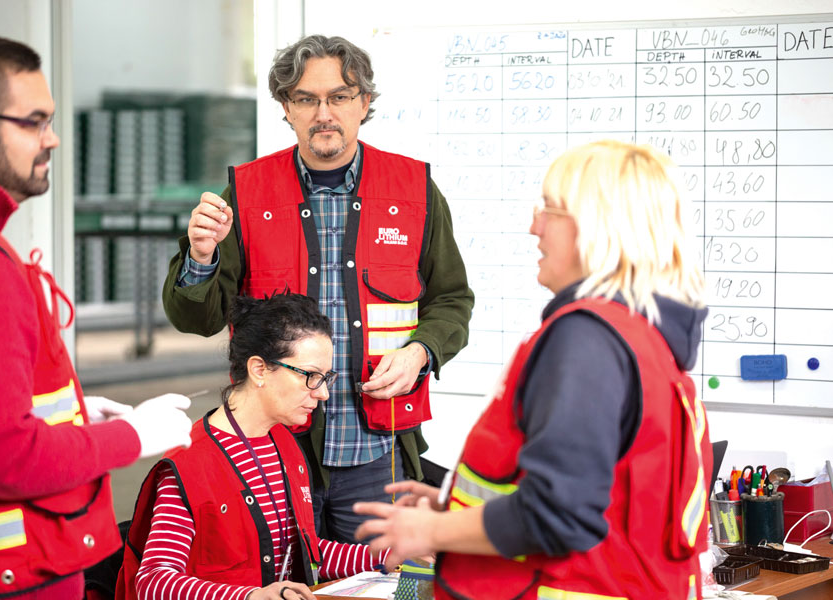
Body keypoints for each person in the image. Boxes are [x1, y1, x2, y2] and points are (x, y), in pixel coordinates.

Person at [354, 140, 714, 599]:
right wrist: (455, 511)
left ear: (596, 225)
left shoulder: (586, 340)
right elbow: (603, 502)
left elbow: (559, 515)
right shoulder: (644, 339)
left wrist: (431, 531)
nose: (533, 227)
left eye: (549, 210)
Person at [162, 34, 474, 542]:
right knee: (279, 577)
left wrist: (420, 351)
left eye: (339, 97)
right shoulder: (246, 193)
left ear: (364, 102)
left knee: (377, 578)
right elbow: (196, 319)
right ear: (286, 107)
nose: (323, 113)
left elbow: (452, 300)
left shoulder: (414, 190)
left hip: (375, 451)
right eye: (306, 99)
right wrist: (200, 256)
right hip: (271, 449)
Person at [0, 34, 193, 599]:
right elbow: (2, 458)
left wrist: (70, 415)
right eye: (34, 122)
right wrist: (130, 436)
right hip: (3, 580)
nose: (52, 138)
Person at [117, 293, 392, 600]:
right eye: (312, 376)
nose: (323, 393)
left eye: (326, 377)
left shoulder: (284, 444)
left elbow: (306, 553)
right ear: (259, 369)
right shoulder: (188, 464)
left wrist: (388, 555)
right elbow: (153, 581)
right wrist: (249, 596)